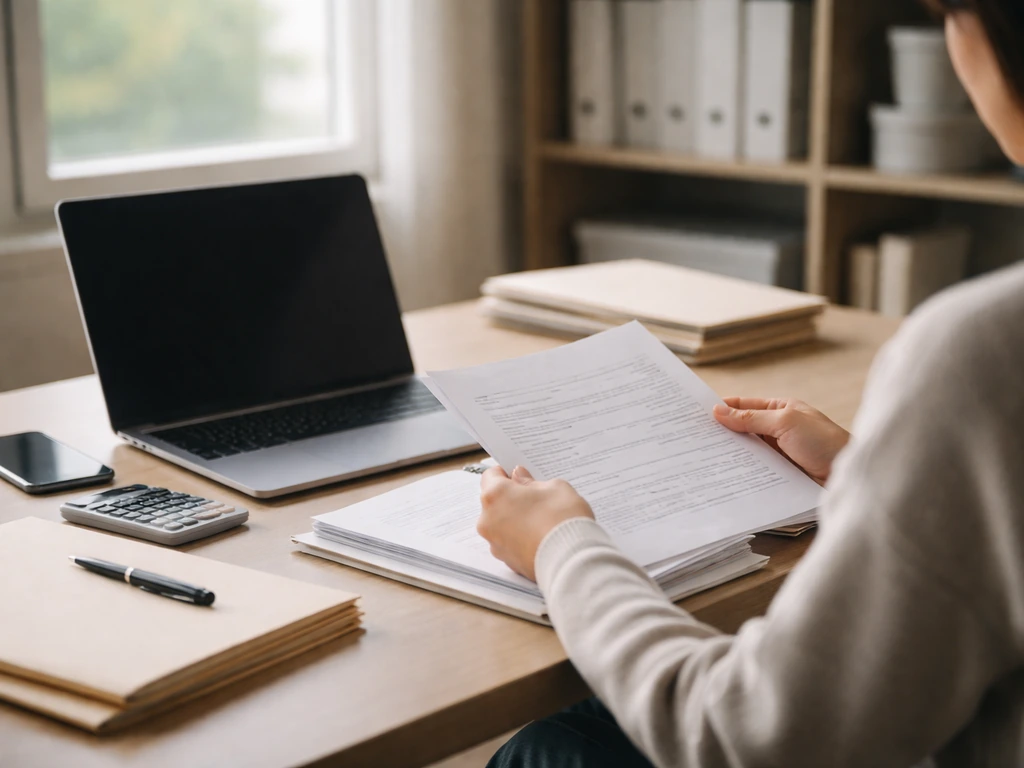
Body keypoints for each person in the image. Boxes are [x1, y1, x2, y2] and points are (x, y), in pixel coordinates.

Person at [478, 2, 1024, 766]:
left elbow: (752, 737)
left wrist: (559, 545)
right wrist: (879, 471)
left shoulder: (984, 351)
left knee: (550, 747)